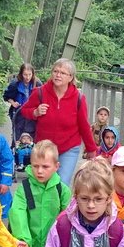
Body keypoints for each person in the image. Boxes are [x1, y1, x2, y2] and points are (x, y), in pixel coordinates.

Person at [18, 56, 96, 185]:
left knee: (61, 184)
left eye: (63, 73)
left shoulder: (78, 98)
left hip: (69, 147)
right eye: (55, 71)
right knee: (43, 183)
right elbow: (24, 111)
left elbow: (84, 125)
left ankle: (60, 199)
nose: (58, 75)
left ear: (70, 77)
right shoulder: (40, 92)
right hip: (44, 147)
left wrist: (91, 149)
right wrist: (35, 112)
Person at [3, 62, 41, 144]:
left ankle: (30, 150)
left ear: (33, 74)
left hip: (32, 114)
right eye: (25, 75)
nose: (27, 77)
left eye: (29, 74)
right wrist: (13, 103)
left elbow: (42, 98)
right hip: (18, 113)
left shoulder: (37, 84)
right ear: (21, 74)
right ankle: (15, 149)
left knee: (30, 136)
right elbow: (6, 96)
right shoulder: (15, 84)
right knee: (18, 136)